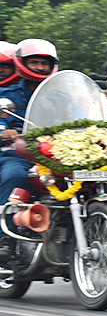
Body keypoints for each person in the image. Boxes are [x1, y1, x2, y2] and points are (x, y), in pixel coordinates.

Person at [0, 39, 59, 260]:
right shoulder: (7, 94)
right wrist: (4, 132)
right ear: (22, 63)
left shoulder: (59, 95)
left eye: (45, 63)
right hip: (16, 154)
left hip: (55, 155)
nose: (41, 68)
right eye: (35, 62)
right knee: (15, 175)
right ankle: (4, 237)